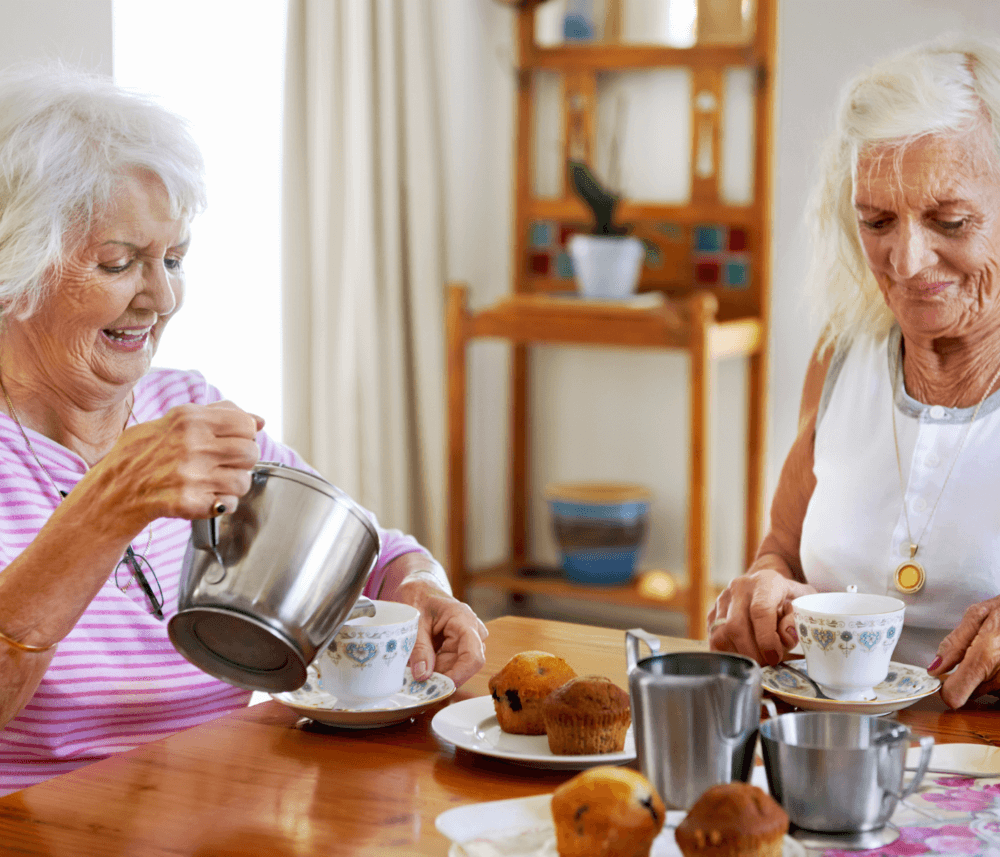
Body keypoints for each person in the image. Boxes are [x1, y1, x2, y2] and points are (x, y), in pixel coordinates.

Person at [0, 63, 487, 795]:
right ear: (17, 266)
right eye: (118, 262)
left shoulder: (187, 408)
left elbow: (368, 549)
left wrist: (421, 586)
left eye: (173, 259)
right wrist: (109, 505)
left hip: (227, 814)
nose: (160, 297)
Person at [707, 36, 1000, 710]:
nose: (908, 260)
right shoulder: (843, 352)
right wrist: (764, 589)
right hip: (830, 750)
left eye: (950, 220)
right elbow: (781, 551)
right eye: (876, 221)